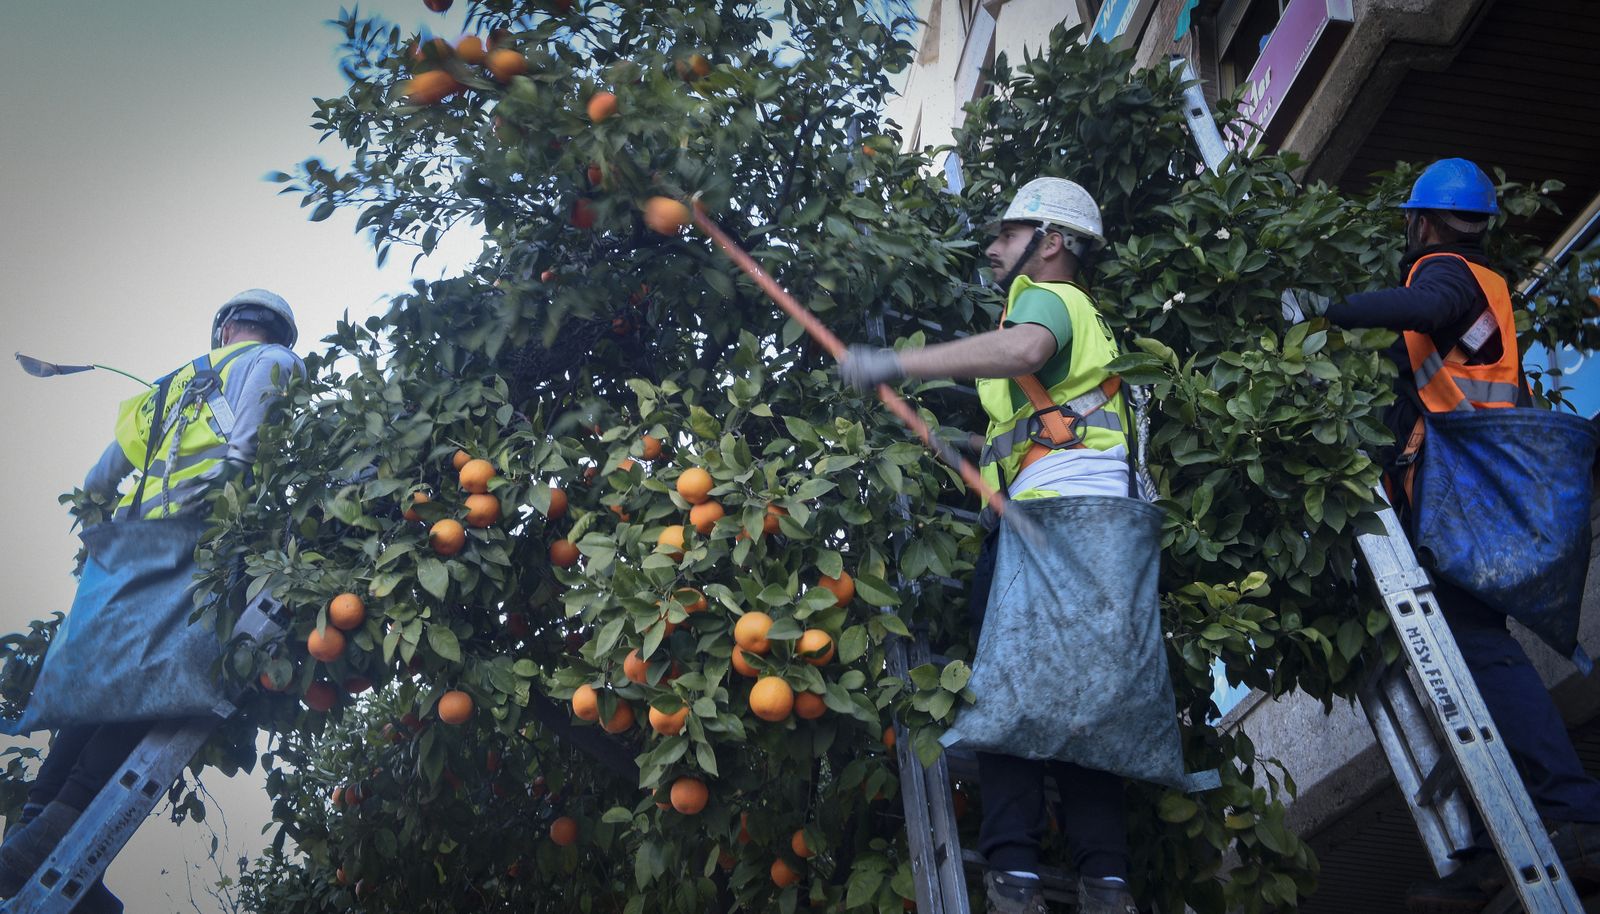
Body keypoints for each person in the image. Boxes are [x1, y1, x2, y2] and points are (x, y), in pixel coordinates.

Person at [840, 178, 1139, 914]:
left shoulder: (1045, 299)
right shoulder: (1087, 322)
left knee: (1006, 690)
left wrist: (895, 364)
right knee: (1083, 707)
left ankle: (1014, 875)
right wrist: (966, 447)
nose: (992, 247)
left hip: (1053, 524)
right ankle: (1107, 882)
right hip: (1095, 529)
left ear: (1052, 242)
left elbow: (1024, 348)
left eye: (1008, 233)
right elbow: (1050, 419)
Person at [1321, 158, 1600, 911]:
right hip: (1476, 497)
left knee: (1478, 653)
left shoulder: (1447, 273)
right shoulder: (1488, 293)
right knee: (1464, 671)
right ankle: (1488, 837)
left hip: (1457, 499)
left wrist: (1331, 310)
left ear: (1423, 222)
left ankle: (1572, 807)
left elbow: (1427, 306)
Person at [0, 290, 303, 912]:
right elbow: (243, 451)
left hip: (130, 553)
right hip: (196, 548)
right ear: (277, 335)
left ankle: (27, 842)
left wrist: (113, 543)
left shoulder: (165, 389)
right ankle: (43, 845)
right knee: (156, 693)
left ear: (223, 329)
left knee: (101, 694)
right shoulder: (275, 363)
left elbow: (95, 485)